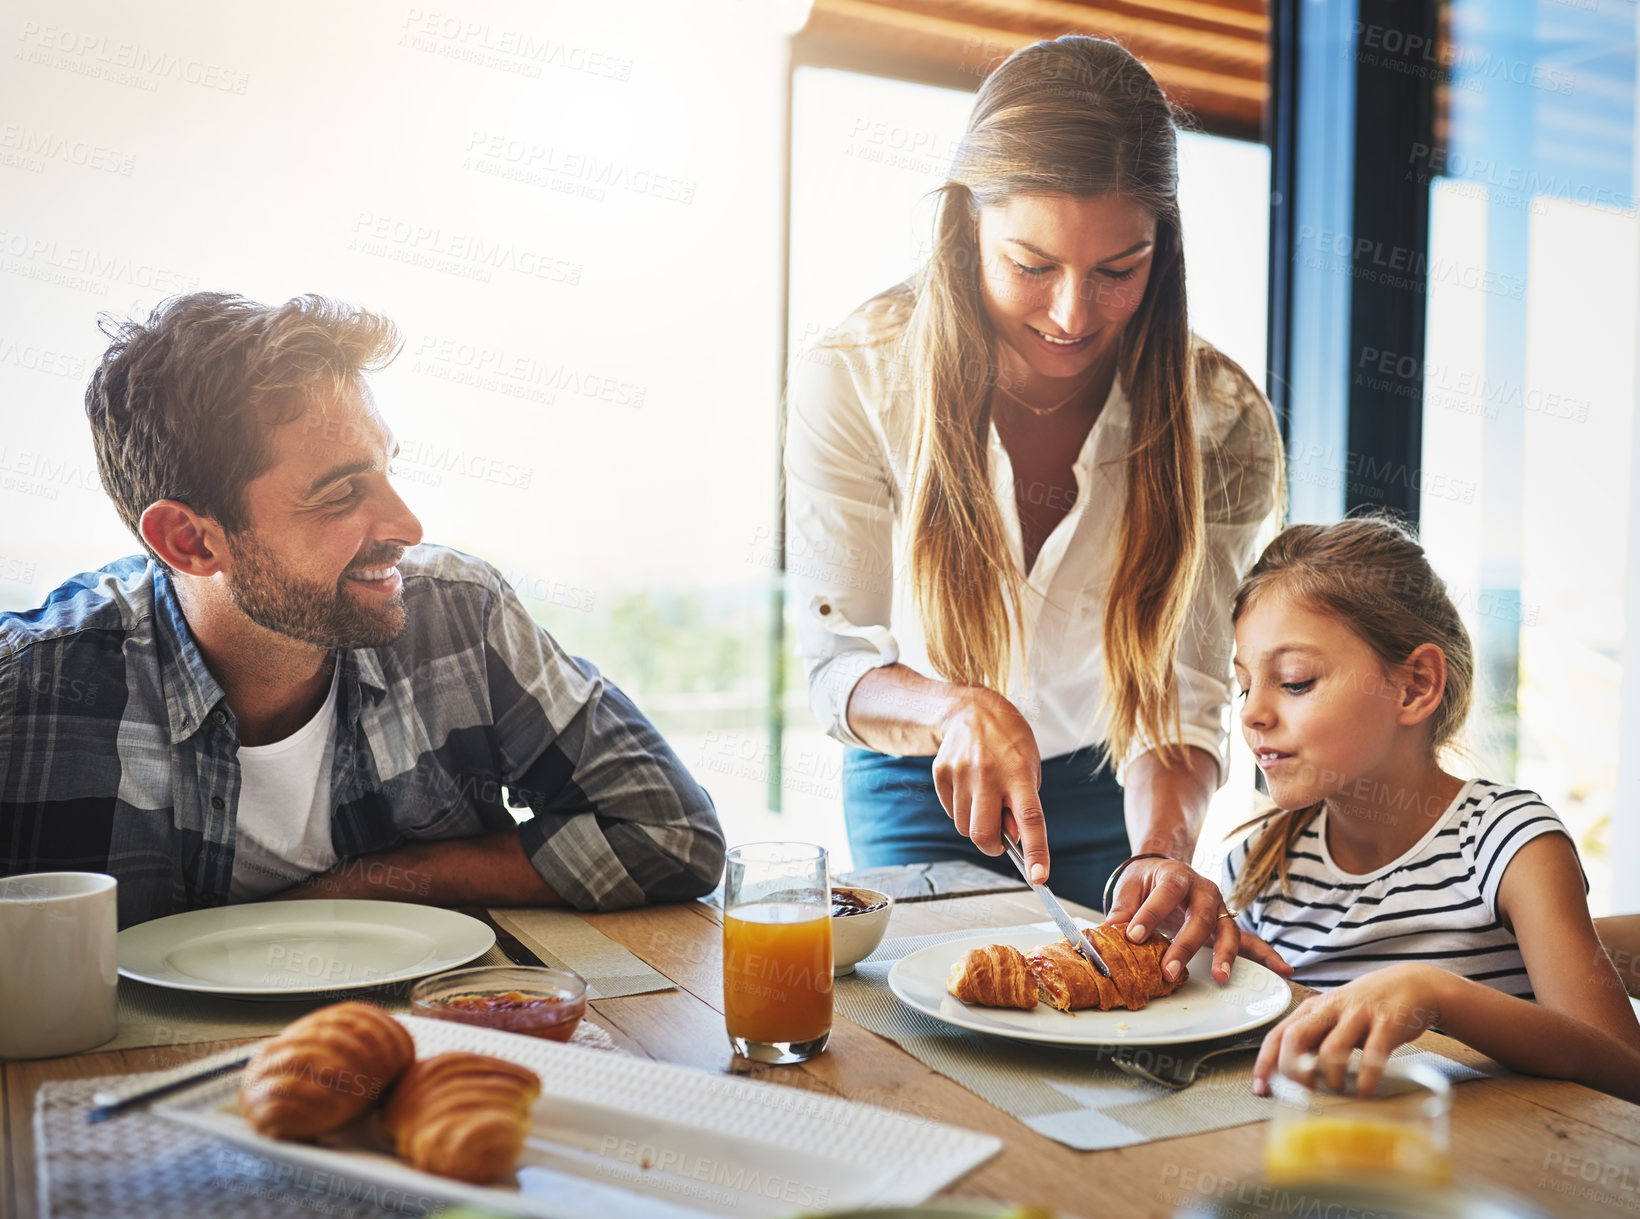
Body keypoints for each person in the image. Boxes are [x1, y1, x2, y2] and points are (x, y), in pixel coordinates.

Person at [785, 35, 1286, 984]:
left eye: (1118, 269)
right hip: (916, 775)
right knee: (915, 1032)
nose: (1071, 314)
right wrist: (952, 708)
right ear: (965, 226)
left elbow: (1185, 691)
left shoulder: (1222, 420)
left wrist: (1166, 849)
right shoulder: (854, 377)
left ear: (1164, 248)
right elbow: (837, 661)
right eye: (1031, 263)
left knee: (1122, 1029)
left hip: (1120, 790)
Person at [0, 292, 725, 930]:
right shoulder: (26, 696)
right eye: (342, 493)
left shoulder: (458, 617)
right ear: (190, 541)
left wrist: (375, 882)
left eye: (387, 468)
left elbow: (673, 834)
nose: (408, 524)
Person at [1221, 517, 1640, 1103]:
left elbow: (1625, 1071)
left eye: (1294, 682)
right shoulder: (1256, 865)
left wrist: (1437, 994)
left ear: (1415, 685)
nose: (1252, 713)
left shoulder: (1508, 844)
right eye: (1244, 686)